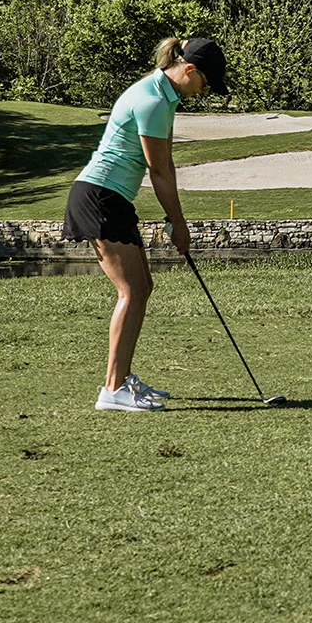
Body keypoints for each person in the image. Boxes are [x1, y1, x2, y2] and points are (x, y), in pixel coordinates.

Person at [64, 36, 229, 412]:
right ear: (188, 70)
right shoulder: (154, 100)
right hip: (99, 196)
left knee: (142, 287)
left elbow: (166, 164)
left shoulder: (162, 94)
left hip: (112, 197)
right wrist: (178, 223)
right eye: (205, 83)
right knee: (132, 291)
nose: (204, 91)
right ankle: (113, 389)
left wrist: (176, 220)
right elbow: (157, 171)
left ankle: (120, 379)